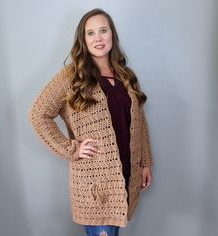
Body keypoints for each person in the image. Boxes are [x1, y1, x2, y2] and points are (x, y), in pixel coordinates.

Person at [29, 8, 153, 236]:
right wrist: (72, 149)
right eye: (90, 33)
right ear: (83, 40)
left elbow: (140, 122)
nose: (98, 38)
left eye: (103, 30)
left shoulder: (126, 75)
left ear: (112, 35)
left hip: (126, 175)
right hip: (96, 183)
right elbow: (38, 114)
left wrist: (145, 162)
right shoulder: (72, 76)